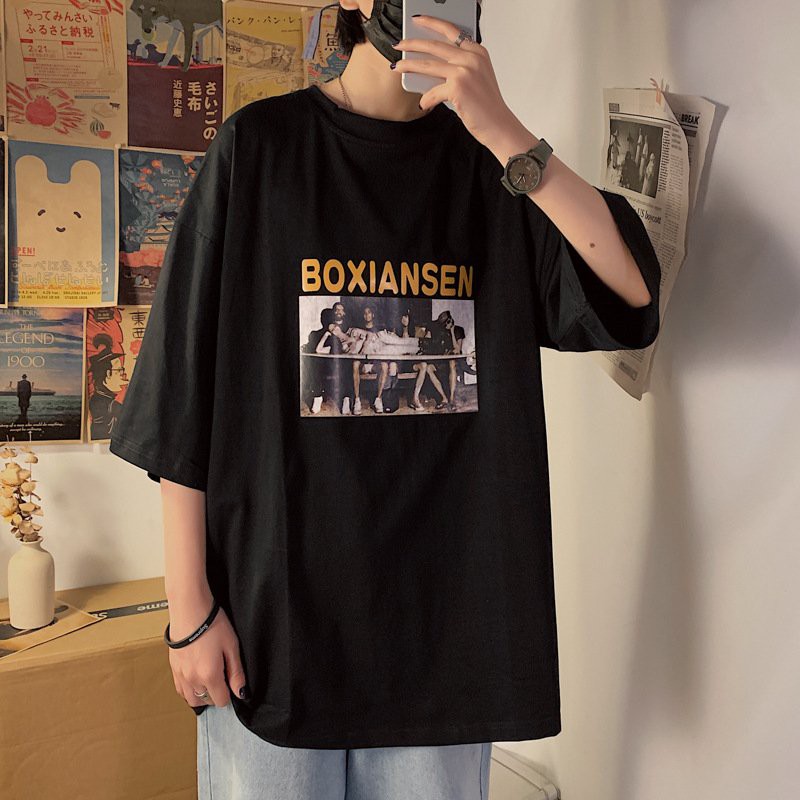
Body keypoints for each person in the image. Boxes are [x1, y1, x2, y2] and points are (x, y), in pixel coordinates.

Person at [108, 1, 661, 798]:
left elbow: (633, 299)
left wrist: (506, 132)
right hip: (270, 640)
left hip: (445, 645)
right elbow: (179, 393)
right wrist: (189, 611)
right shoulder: (260, 148)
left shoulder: (494, 170)